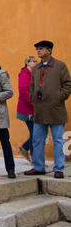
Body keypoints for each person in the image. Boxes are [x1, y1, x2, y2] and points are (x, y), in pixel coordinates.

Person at [24, 40, 71, 179]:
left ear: (49, 50)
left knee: (58, 140)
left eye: (41, 48)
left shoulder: (60, 66)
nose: (38, 51)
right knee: (37, 140)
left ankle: (59, 169)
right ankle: (38, 167)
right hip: (39, 110)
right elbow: (31, 85)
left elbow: (68, 84)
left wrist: (59, 97)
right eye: (37, 49)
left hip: (56, 109)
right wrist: (33, 97)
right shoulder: (37, 68)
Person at [17, 56, 37, 161]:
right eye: (33, 61)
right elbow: (24, 92)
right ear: (27, 63)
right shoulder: (24, 74)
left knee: (35, 133)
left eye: (36, 61)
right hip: (27, 109)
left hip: (34, 109)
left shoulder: (34, 74)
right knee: (35, 134)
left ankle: (25, 147)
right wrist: (34, 103)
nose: (35, 62)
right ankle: (35, 160)